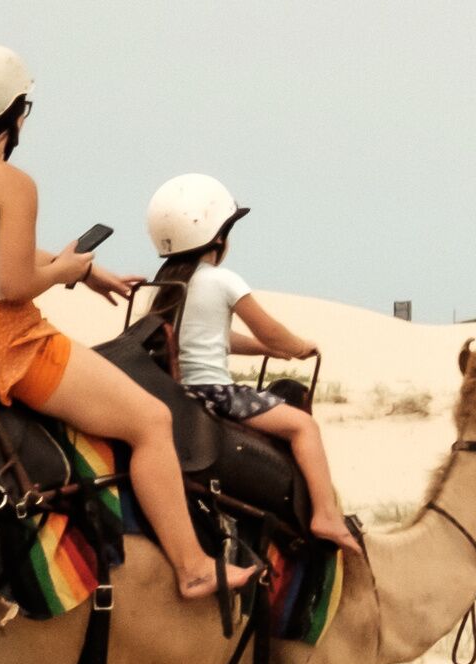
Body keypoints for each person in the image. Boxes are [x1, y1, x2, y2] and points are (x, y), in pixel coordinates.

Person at [0, 44, 225, 599]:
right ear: (15, 112)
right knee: (152, 421)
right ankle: (194, 567)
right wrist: (63, 272)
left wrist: (83, 270)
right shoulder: (12, 182)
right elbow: (13, 284)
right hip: (11, 344)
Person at [144, 173, 362, 552]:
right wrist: (297, 346)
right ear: (218, 237)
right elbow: (271, 330)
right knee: (304, 427)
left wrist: (265, 350)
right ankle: (326, 515)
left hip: (176, 394)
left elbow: (216, 337)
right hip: (217, 394)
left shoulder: (166, 285)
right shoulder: (222, 280)